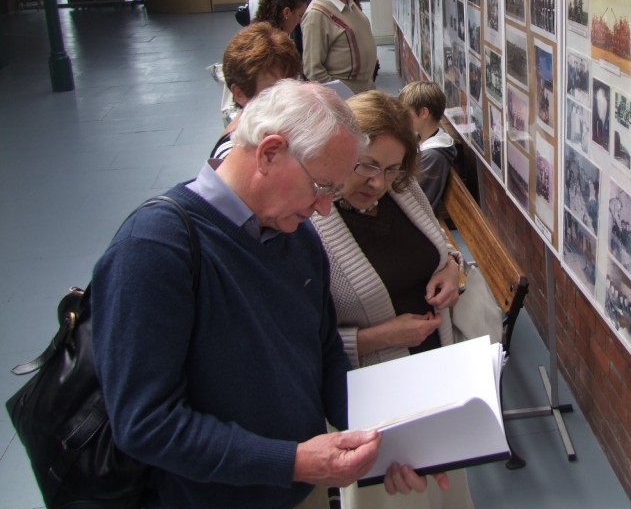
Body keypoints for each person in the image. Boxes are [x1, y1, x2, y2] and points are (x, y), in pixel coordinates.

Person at [91, 80, 439, 507]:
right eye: (321, 186)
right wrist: (290, 461)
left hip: (299, 488)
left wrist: (389, 443)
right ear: (269, 152)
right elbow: (145, 423)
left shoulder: (298, 237)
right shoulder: (154, 251)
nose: (325, 207)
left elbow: (325, 352)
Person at [309, 91, 471, 509]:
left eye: (392, 168)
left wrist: (452, 269)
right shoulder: (311, 226)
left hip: (436, 375)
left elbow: (443, 248)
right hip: (376, 402)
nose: (378, 183)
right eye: (366, 166)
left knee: (445, 493)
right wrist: (379, 337)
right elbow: (307, 341)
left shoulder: (403, 190)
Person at [211, 22, 302, 158]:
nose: (286, 98)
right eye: (272, 91)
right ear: (240, 94)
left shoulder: (279, 127)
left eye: (291, 85)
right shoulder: (233, 154)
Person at [302, 0, 378, 92]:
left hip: (365, 89)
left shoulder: (347, 0)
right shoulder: (316, 15)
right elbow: (313, 69)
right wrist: (342, 95)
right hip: (347, 98)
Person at [399, 81, 457, 214]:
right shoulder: (421, 139)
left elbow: (416, 200)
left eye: (406, 112)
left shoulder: (433, 157)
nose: (402, 117)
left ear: (424, 113)